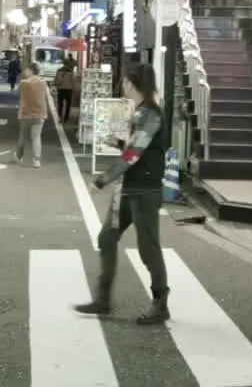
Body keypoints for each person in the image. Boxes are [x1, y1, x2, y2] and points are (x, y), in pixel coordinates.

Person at [75, 63, 170, 325]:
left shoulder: (150, 114)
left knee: (148, 249)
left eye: (126, 82)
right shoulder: (139, 112)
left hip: (144, 191)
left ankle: (160, 303)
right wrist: (116, 142)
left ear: (134, 83)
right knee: (107, 237)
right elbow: (134, 148)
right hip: (128, 189)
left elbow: (133, 154)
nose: (123, 86)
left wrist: (102, 180)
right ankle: (103, 300)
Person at [16, 63, 50, 168]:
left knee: (22, 136)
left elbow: (18, 94)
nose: (25, 72)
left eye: (26, 70)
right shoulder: (43, 83)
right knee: (36, 137)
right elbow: (47, 96)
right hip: (40, 113)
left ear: (31, 71)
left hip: (25, 113)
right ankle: (36, 160)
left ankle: (19, 156)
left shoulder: (23, 83)